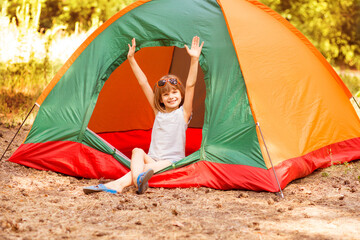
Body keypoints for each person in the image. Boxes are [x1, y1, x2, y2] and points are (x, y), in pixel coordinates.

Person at [83, 36, 204, 195]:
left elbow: (190, 85)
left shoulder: (183, 114)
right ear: (160, 99)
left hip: (171, 162)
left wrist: (194, 59)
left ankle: (118, 185)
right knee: (137, 151)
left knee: (144, 169)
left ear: (181, 95)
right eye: (166, 94)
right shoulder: (158, 112)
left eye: (174, 92)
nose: (171, 96)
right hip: (153, 158)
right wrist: (131, 59)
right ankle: (137, 181)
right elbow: (143, 83)